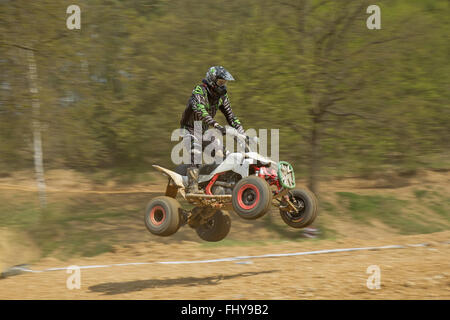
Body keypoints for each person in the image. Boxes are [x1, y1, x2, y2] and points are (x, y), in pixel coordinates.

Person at [180, 66, 244, 194]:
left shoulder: (222, 97)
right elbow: (200, 111)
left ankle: (221, 184)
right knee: (196, 151)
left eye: (224, 83)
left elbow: (231, 116)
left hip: (203, 131)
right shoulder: (199, 91)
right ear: (212, 80)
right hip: (189, 129)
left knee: (223, 154)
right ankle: (192, 187)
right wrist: (215, 124)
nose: (222, 85)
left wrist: (242, 133)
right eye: (220, 82)